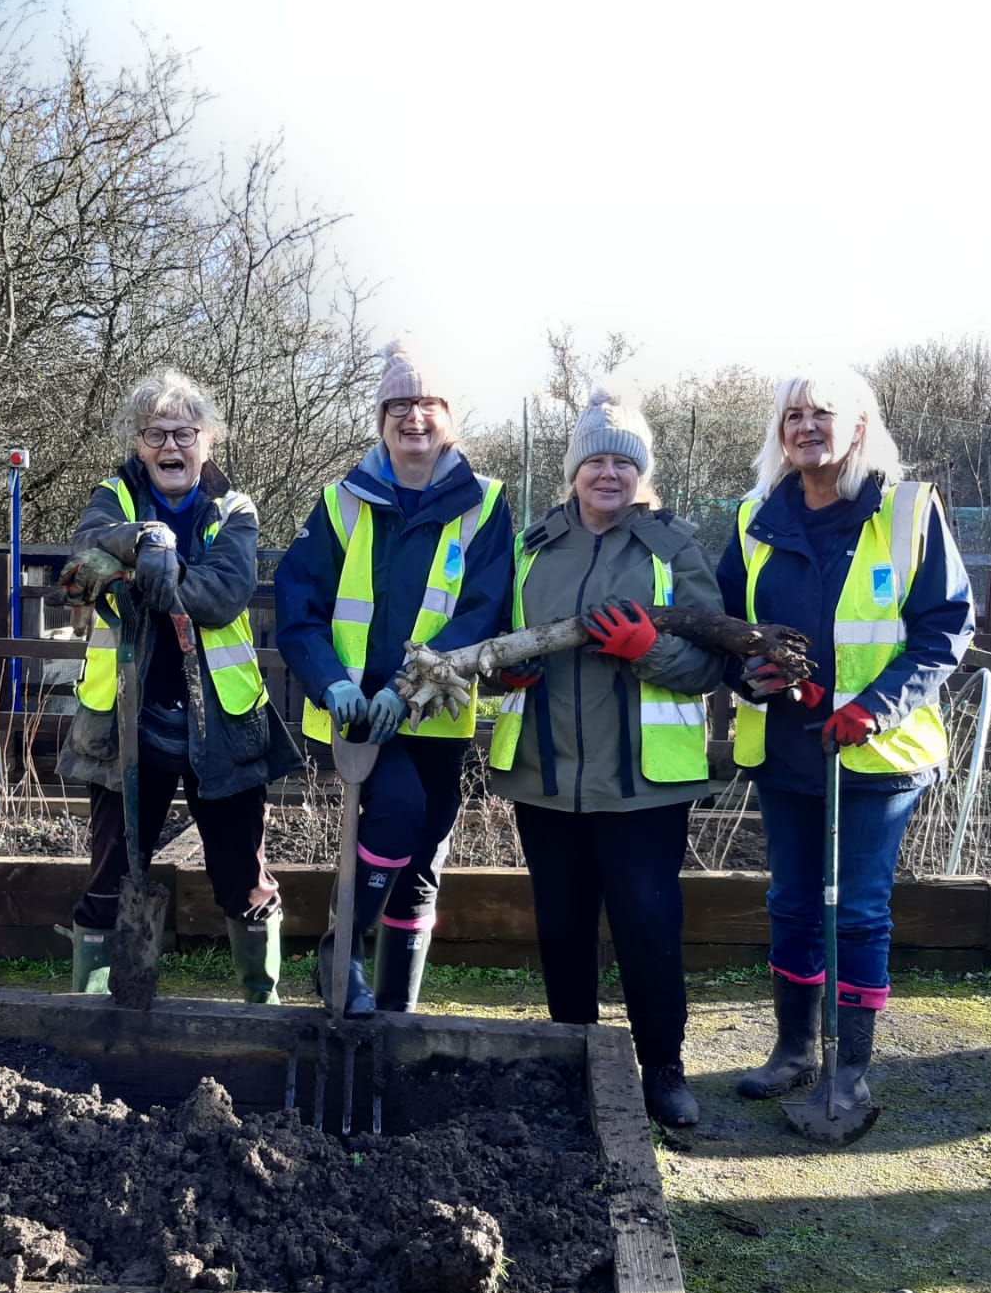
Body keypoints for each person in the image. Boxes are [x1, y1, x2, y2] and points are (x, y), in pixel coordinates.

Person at [720, 367, 974, 1117]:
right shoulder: (753, 517)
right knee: (792, 903)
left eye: (821, 414)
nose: (805, 427)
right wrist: (750, 677)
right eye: (792, 415)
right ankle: (795, 1050)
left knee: (856, 909)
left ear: (859, 426)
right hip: (787, 747)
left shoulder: (907, 512)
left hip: (876, 756)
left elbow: (945, 629)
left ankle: (850, 1069)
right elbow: (729, 628)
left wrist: (874, 707)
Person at [486, 389, 726, 1127]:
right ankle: (574, 1057)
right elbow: (497, 642)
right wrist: (506, 671)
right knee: (561, 925)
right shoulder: (535, 547)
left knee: (647, 925)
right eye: (595, 458)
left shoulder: (672, 547)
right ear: (574, 470)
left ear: (641, 472)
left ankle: (663, 1069)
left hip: (643, 783)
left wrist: (652, 650)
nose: (608, 473)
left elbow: (714, 661)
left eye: (624, 460)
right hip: (546, 774)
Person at [274, 339, 514, 1016]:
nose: (415, 418)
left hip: (432, 708)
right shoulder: (340, 503)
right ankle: (340, 948)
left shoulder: (486, 504)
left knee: (423, 856)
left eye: (429, 404)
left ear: (449, 417)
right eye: (399, 406)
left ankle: (393, 1016)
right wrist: (334, 685)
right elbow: (300, 607)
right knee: (401, 812)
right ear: (381, 420)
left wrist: (407, 687)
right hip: (357, 714)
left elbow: (483, 610)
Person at [60, 369, 301, 1001]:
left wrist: (142, 569)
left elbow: (223, 596)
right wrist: (148, 539)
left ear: (208, 440)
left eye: (184, 433)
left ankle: (260, 1000)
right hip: (124, 723)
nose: (170, 447)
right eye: (154, 434)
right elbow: (80, 567)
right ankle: (95, 1007)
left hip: (220, 725)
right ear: (137, 444)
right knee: (111, 871)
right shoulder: (113, 494)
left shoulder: (233, 509)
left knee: (241, 873)